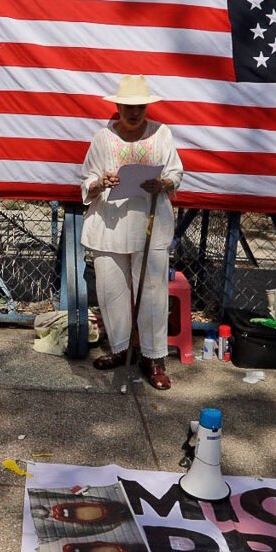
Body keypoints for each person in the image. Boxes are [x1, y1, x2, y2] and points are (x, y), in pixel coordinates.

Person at [80, 75, 183, 390]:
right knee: (112, 292)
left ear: (146, 107)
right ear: (118, 106)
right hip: (109, 223)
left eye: (139, 106)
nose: (134, 112)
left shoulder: (161, 134)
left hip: (149, 221)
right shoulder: (102, 138)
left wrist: (163, 183)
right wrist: (101, 183)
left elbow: (176, 173)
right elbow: (86, 180)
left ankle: (153, 358)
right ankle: (120, 347)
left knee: (151, 293)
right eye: (128, 106)